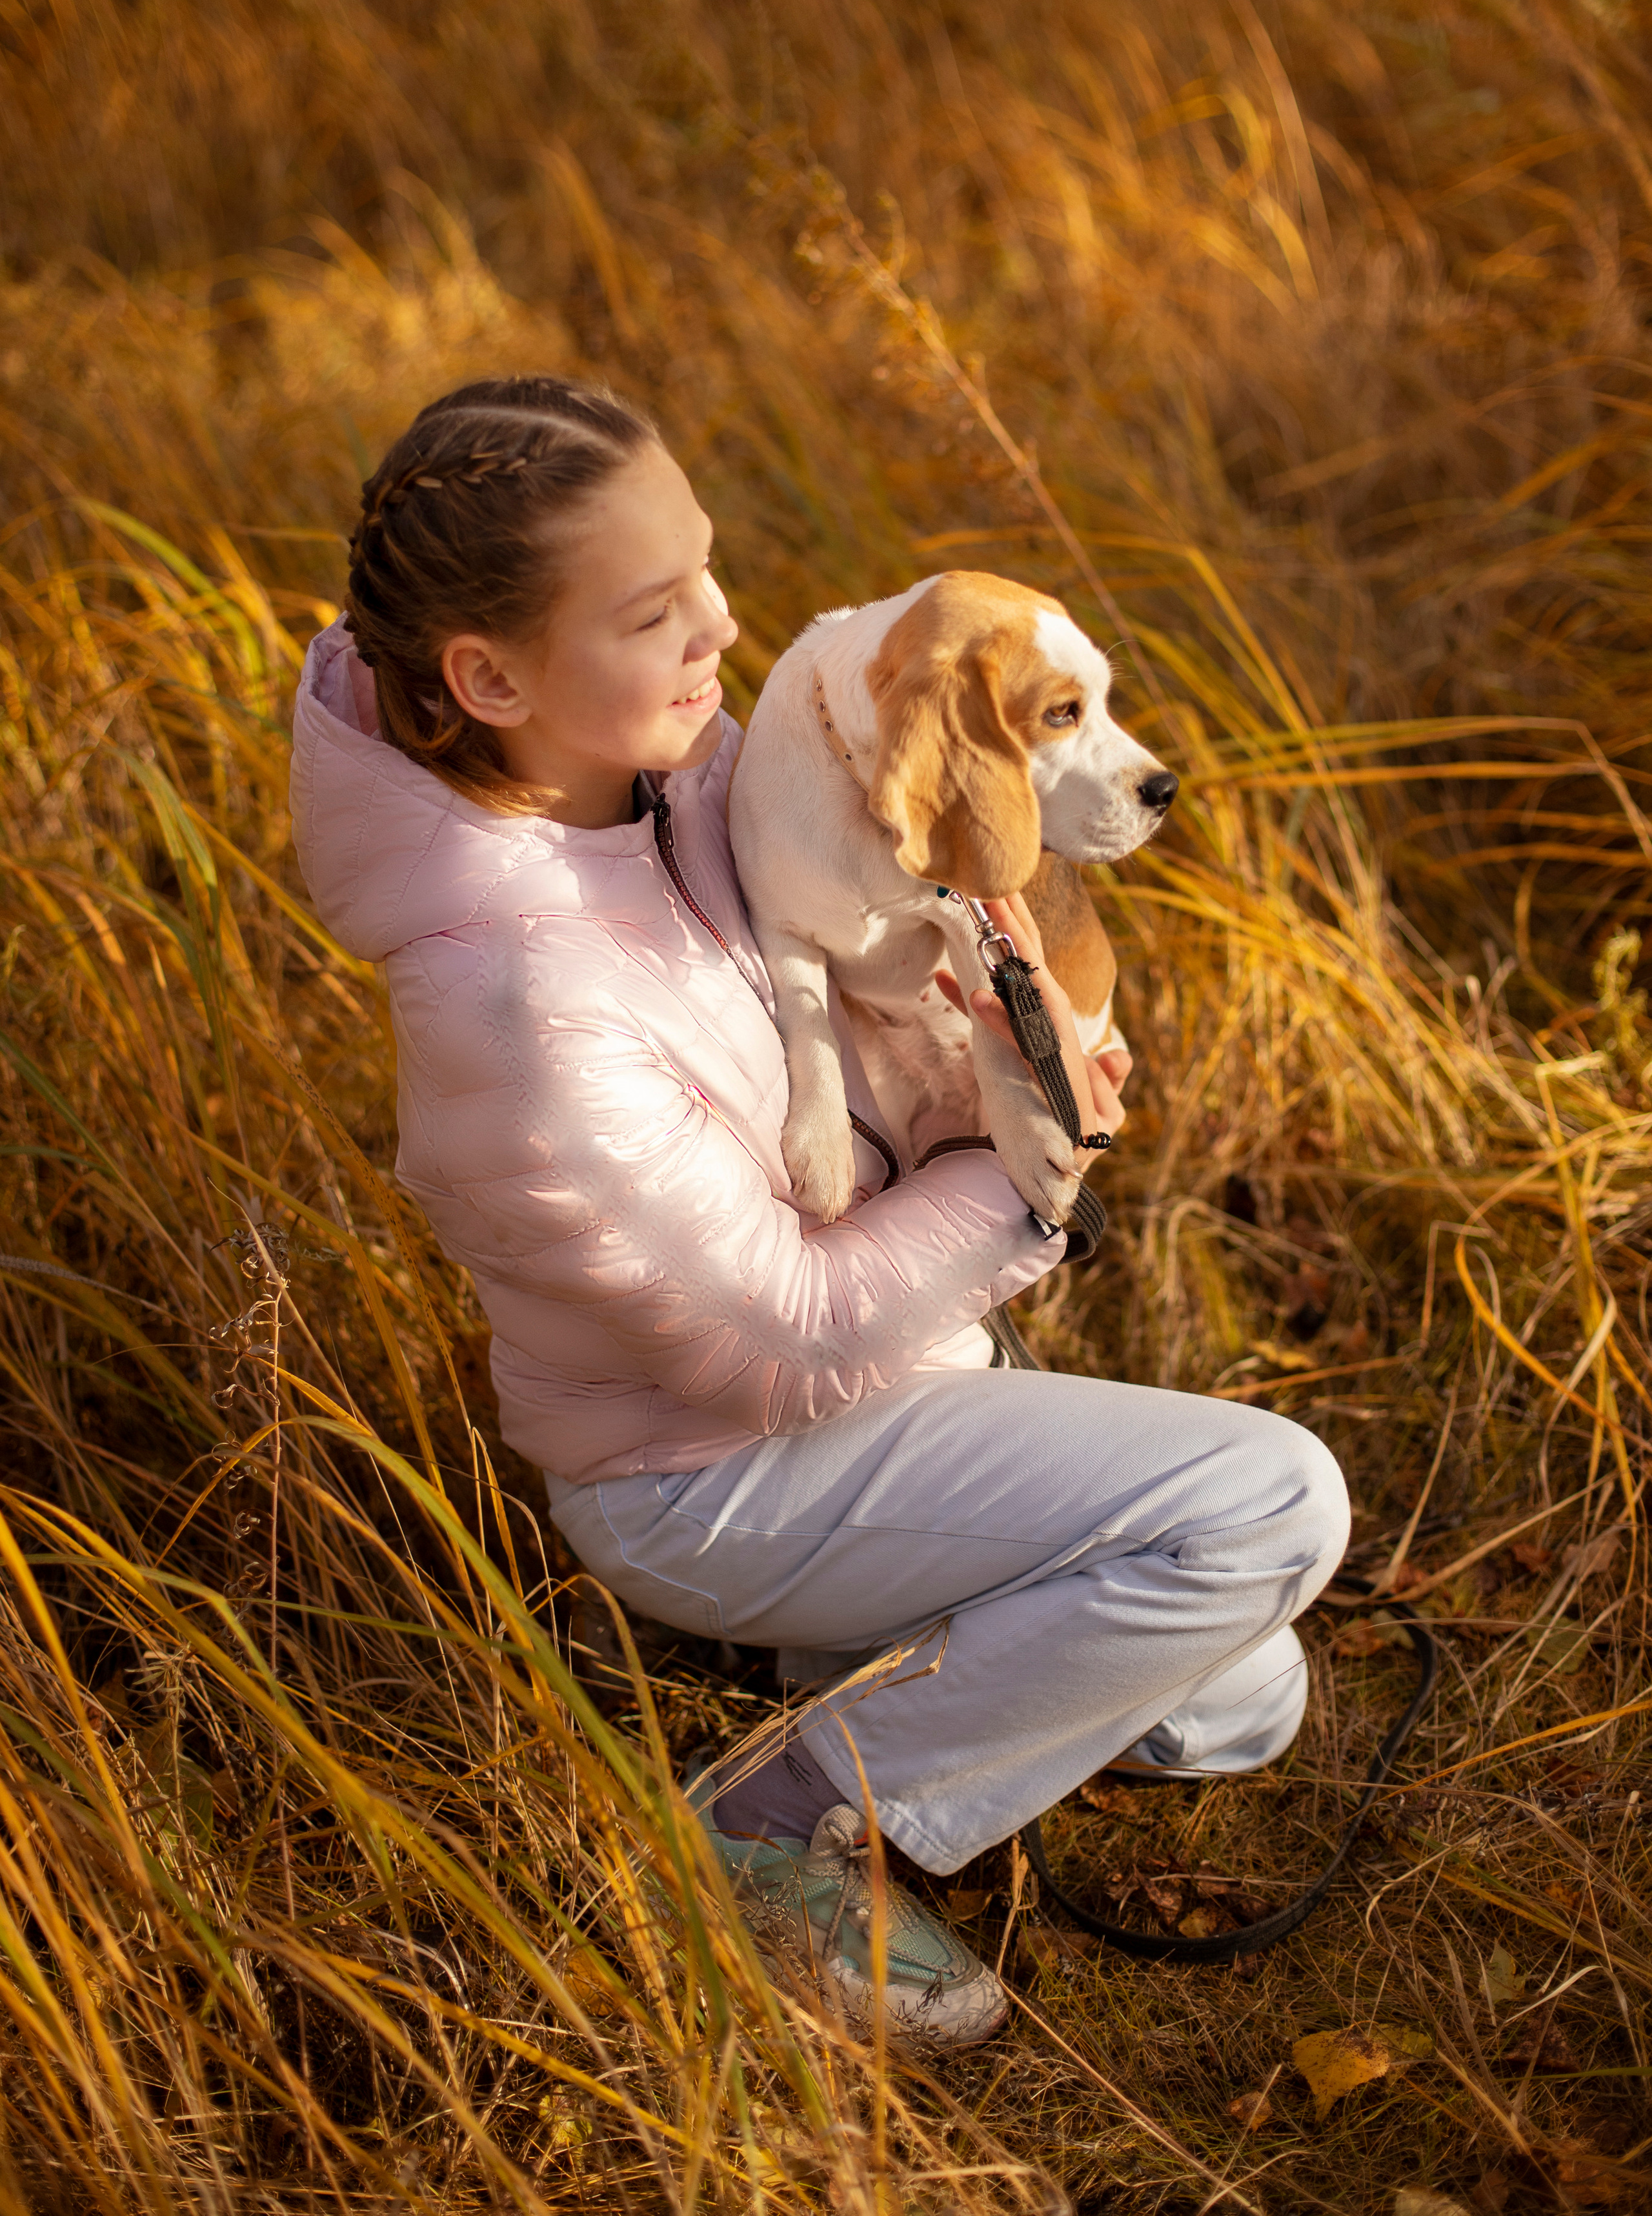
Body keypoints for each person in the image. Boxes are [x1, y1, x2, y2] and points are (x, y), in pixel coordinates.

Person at [290, 374, 1350, 2049]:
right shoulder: (511, 997)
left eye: (706, 568)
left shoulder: (671, 776)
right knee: (1270, 1513)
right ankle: (774, 1821)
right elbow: (770, 1339)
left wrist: (1021, 1043)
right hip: (713, 1476)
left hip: (901, 1386)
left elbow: (887, 928)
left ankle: (878, 1642)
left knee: (1241, 1706)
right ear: (492, 679)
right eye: (656, 610)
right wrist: (1016, 1176)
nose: (723, 621)